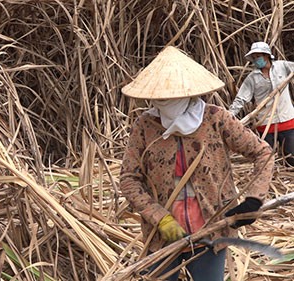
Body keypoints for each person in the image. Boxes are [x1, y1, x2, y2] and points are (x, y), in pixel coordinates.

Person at [119, 46, 274, 281]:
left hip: (210, 231)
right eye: (160, 98)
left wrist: (253, 200)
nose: (165, 103)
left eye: (171, 97)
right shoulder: (145, 126)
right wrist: (160, 217)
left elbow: (263, 153)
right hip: (162, 237)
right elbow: (129, 178)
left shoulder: (215, 119)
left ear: (187, 94)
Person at [229, 41, 294, 166]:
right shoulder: (252, 78)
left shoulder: (282, 67)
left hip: (287, 120)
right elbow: (241, 99)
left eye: (258, 56)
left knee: (291, 156)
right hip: (265, 124)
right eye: (254, 57)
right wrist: (229, 115)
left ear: (266, 55)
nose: (256, 59)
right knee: (266, 158)